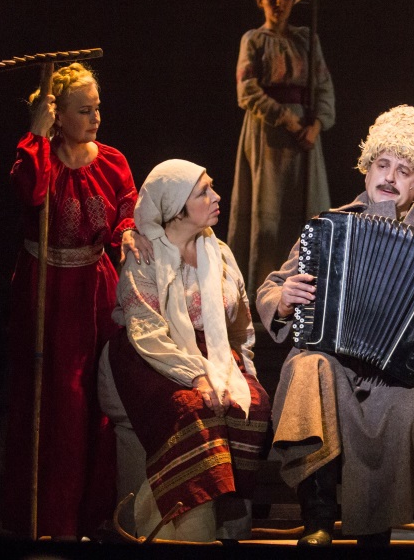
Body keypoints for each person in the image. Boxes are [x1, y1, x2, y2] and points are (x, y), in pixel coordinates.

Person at [256, 105, 414, 546]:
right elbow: (273, 286)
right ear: (366, 169)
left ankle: (373, 534)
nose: (389, 177)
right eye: (382, 164)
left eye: (404, 171)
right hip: (332, 365)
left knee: (409, 407)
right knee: (307, 369)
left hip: (399, 376)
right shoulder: (329, 227)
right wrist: (283, 299)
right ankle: (318, 519)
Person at [2, 62, 150, 538]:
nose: (95, 118)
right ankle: (47, 520)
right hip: (46, 289)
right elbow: (32, 193)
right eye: (84, 110)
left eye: (97, 108)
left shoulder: (112, 160)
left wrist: (128, 233)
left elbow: (127, 207)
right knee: (55, 400)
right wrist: (36, 136)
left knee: (95, 398)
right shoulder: (38, 156)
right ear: (57, 116)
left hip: (95, 288)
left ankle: (91, 516)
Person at [97, 160, 271, 541]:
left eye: (211, 187)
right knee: (193, 408)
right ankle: (181, 529)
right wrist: (195, 375)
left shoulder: (218, 252)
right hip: (149, 354)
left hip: (209, 348)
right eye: (203, 192)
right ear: (177, 209)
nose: (216, 196)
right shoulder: (145, 254)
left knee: (253, 405)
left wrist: (245, 370)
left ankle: (229, 522)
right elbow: (145, 332)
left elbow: (239, 323)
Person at [228, 0, 335, 298]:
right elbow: (247, 90)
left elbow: (323, 86)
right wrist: (288, 120)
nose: (280, 3)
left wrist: (316, 125)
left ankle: (312, 290)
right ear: (261, 1)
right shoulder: (253, 39)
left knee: (308, 209)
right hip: (269, 135)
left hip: (305, 137)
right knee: (268, 214)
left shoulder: (306, 38)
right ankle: (266, 293)